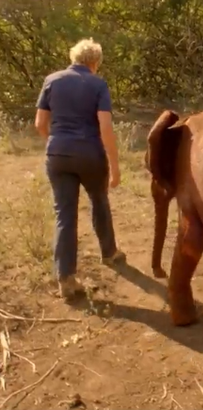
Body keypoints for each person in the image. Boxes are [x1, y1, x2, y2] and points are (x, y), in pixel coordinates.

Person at [34, 38, 126, 301]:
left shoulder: (52, 80)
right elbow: (105, 127)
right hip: (90, 154)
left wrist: (56, 144)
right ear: (95, 62)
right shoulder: (97, 84)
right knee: (99, 200)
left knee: (65, 214)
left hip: (58, 153)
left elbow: (40, 123)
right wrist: (115, 166)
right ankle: (109, 253)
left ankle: (66, 278)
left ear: (74, 58)